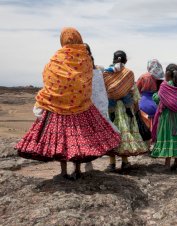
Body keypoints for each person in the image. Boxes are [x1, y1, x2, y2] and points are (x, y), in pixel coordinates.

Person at [15, 27, 121, 180]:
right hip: (81, 106)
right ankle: (77, 170)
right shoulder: (85, 59)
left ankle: (63, 171)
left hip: (57, 107)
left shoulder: (55, 60)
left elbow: (48, 77)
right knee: (79, 140)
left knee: (61, 141)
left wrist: (55, 95)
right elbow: (88, 80)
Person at [103, 51, 148, 172]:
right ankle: (125, 162)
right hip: (125, 108)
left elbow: (103, 90)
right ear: (125, 60)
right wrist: (136, 108)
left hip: (110, 108)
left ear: (113, 60)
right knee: (124, 133)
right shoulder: (128, 73)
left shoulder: (106, 73)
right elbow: (134, 92)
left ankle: (112, 164)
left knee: (111, 133)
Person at [84, 43, 119, 172]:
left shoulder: (99, 69)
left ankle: (110, 160)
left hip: (100, 105)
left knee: (104, 131)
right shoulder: (78, 70)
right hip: (86, 104)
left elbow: (113, 69)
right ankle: (88, 162)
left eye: (87, 51)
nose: (85, 54)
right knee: (86, 133)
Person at [136, 59, 164, 130]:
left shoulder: (143, 76)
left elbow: (136, 90)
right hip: (157, 103)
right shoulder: (160, 77)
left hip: (144, 104)